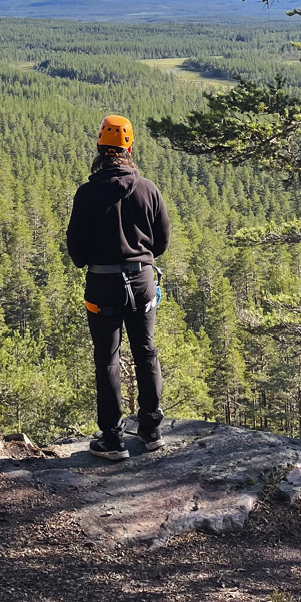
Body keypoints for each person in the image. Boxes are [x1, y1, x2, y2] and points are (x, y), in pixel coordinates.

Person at [65, 114, 171, 461]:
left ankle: (112, 439)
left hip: (102, 286)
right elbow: (162, 242)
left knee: (108, 359)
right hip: (142, 282)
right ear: (130, 147)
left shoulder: (87, 193)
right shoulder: (149, 189)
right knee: (146, 351)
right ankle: (151, 430)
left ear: (100, 147)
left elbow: (77, 253)